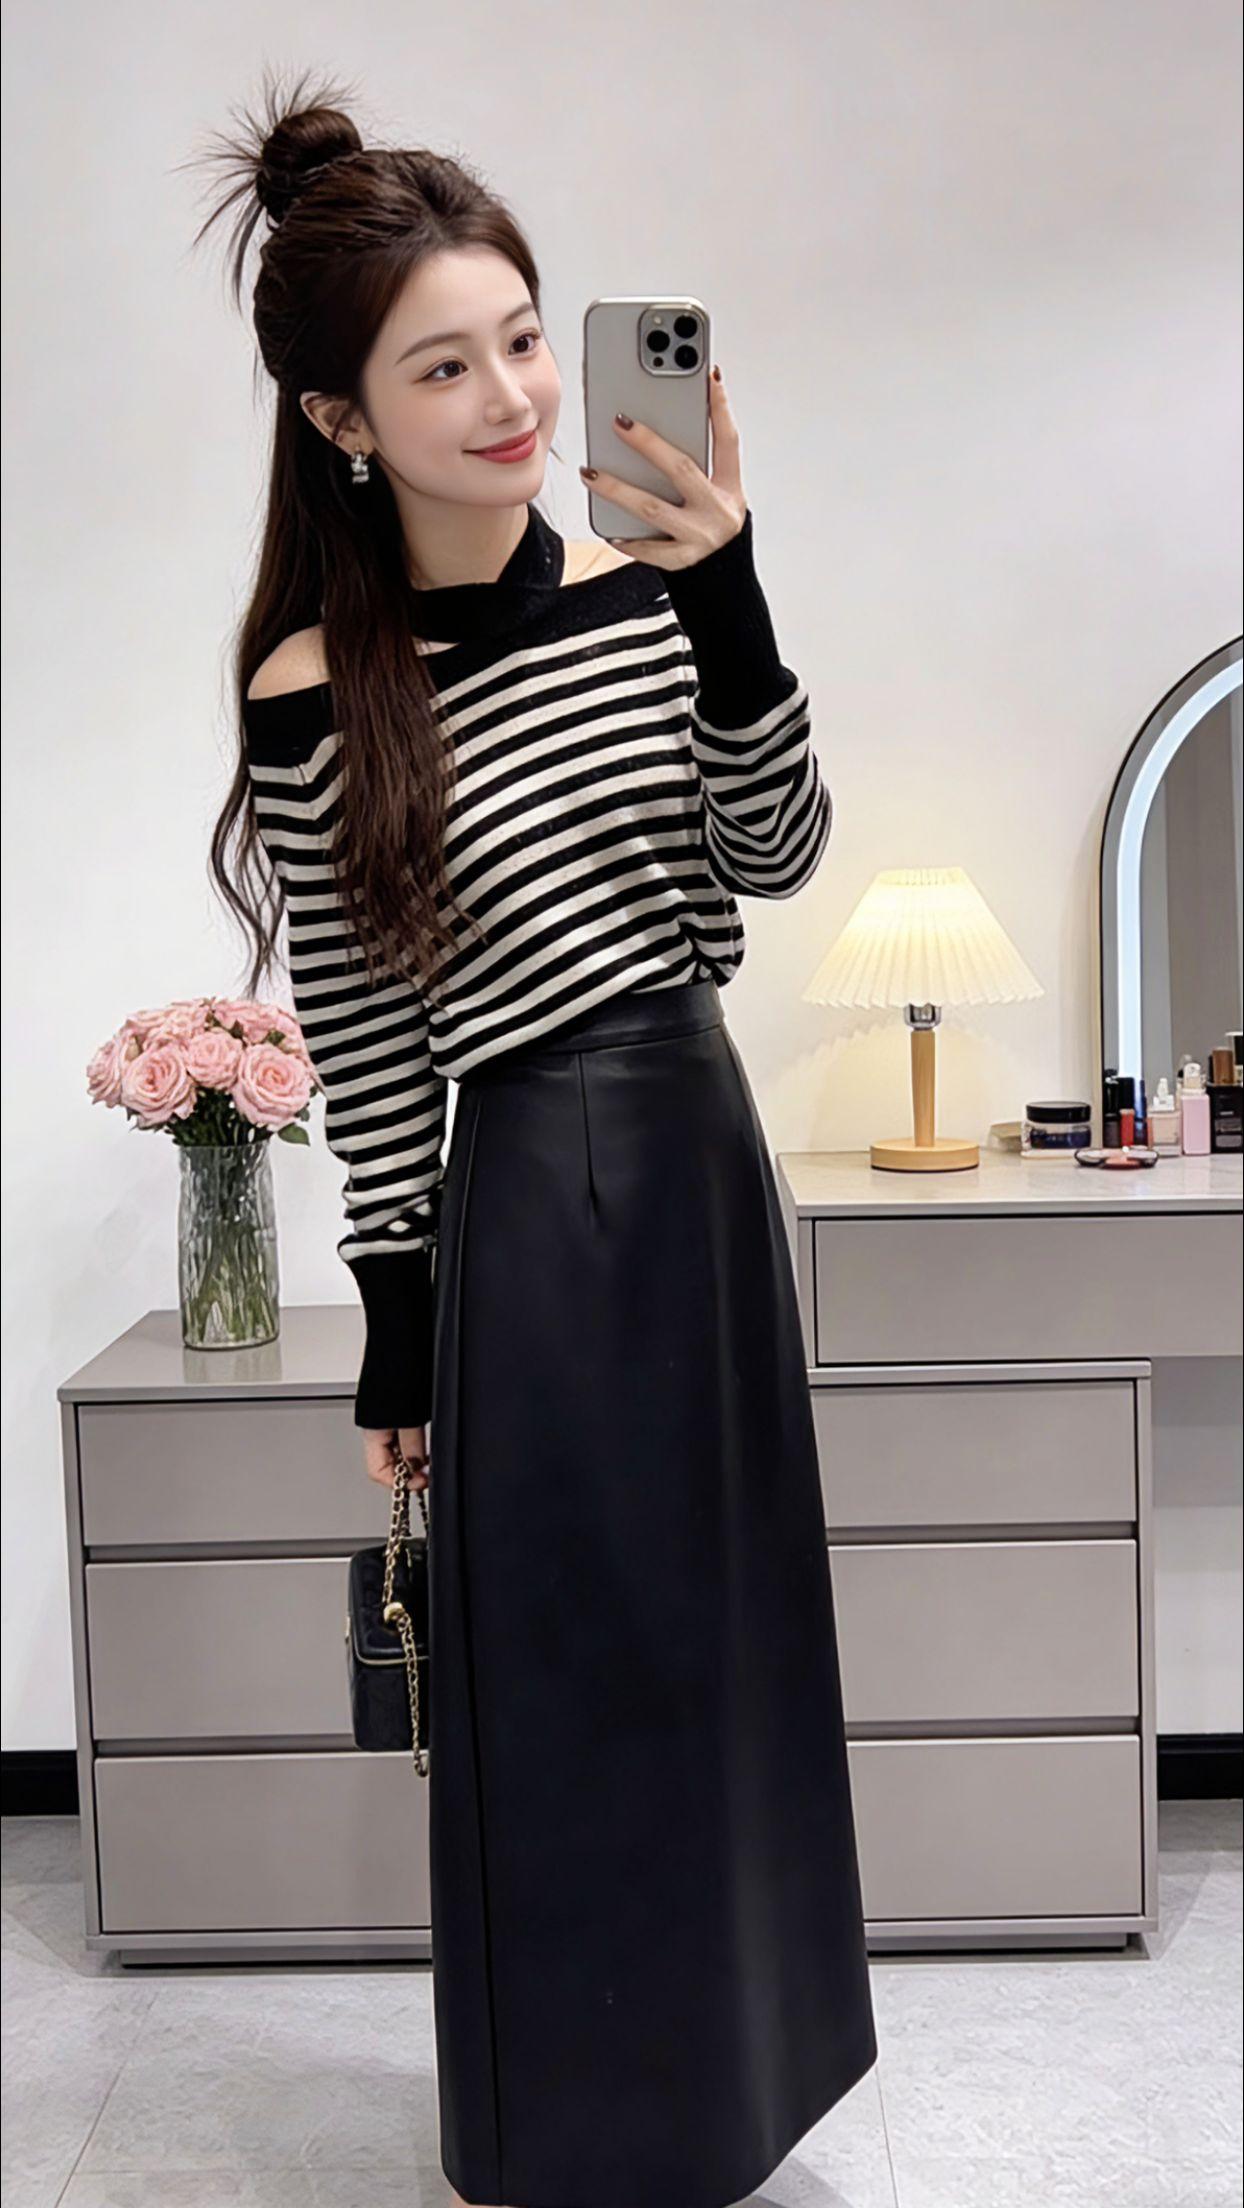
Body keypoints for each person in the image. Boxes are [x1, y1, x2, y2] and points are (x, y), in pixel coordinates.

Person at [199, 65, 877, 2208]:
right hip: (527, 1191)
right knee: (562, 1674)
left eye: (519, 338)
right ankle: (564, 2127)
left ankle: (728, 2104)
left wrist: (734, 599)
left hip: (699, 1153)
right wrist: (396, 1332)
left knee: (723, 1647)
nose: (506, 397)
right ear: (340, 417)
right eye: (441, 366)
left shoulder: (647, 588)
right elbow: (364, 1030)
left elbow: (773, 857)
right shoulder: (317, 684)